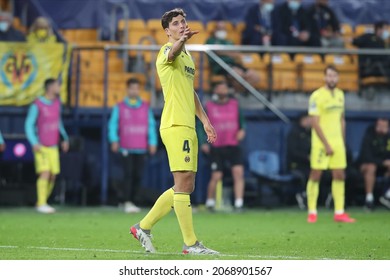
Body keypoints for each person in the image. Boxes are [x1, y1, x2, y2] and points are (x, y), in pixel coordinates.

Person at [130, 8, 219, 255]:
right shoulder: (166, 51)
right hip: (175, 125)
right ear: (167, 31)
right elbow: (172, 54)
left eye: (183, 21)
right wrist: (181, 41)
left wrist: (205, 120)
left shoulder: (187, 57)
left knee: (185, 185)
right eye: (177, 23)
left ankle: (143, 227)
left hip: (188, 125)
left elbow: (190, 92)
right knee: (183, 183)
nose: (182, 25)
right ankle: (190, 244)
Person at [306, 65, 355, 223]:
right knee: (316, 174)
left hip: (337, 142)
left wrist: (342, 140)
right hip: (321, 142)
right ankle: (312, 211)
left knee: (340, 174)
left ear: (338, 78)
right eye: (329, 75)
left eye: (334, 76)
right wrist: (326, 144)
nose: (332, 78)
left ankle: (339, 212)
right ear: (324, 77)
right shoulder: (316, 96)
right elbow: (314, 122)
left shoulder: (341, 95)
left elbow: (341, 119)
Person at [108, 77, 158, 213]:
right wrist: (114, 139)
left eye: (137, 88)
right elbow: (113, 125)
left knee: (138, 175)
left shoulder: (145, 107)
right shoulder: (120, 107)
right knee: (128, 175)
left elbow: (151, 126)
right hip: (126, 147)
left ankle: (134, 201)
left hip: (141, 147)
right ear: (127, 89)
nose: (134, 91)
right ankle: (126, 201)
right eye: (132, 88)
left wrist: (152, 142)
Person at [25, 78, 69, 214]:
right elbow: (28, 124)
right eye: (57, 85)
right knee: (45, 173)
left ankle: (42, 201)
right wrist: (34, 142)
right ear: (50, 88)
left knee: (52, 176)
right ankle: (41, 203)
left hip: (53, 146)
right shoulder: (37, 104)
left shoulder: (57, 103)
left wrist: (65, 138)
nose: (59, 88)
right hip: (41, 145)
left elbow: (58, 123)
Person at [201, 81, 246, 212]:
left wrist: (242, 131)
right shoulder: (209, 106)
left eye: (224, 88)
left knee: (238, 173)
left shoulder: (235, 105)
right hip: (216, 145)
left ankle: (239, 203)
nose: (222, 90)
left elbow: (242, 123)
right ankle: (209, 202)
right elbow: (201, 125)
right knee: (216, 175)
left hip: (233, 144)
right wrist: (204, 142)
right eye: (219, 88)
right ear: (215, 91)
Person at [205, 20, 260, 93]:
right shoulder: (210, 40)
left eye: (223, 29)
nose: (222, 31)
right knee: (238, 74)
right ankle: (236, 94)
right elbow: (217, 51)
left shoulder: (229, 41)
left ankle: (238, 92)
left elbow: (236, 53)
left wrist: (225, 52)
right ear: (215, 29)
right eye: (220, 29)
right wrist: (229, 53)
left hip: (234, 64)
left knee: (254, 76)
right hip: (220, 66)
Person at [356, 118, 390, 210]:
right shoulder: (369, 136)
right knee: (371, 167)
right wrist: (383, 162)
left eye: (385, 126)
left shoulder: (388, 138)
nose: (382, 128)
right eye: (380, 126)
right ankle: (369, 199)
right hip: (366, 165)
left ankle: (387, 196)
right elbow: (367, 157)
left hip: (382, 167)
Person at [286, 113, 312, 209]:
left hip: (311, 164)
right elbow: (293, 152)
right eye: (308, 119)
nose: (310, 121)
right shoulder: (294, 133)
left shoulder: (311, 133)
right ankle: (303, 195)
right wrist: (307, 157)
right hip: (296, 165)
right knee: (306, 174)